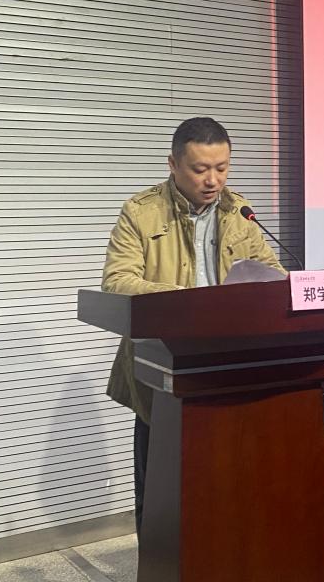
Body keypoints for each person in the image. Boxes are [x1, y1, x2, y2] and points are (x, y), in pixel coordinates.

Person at [101, 117, 285, 533]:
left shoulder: (239, 211)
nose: (213, 180)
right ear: (173, 164)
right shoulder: (142, 212)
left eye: (222, 167)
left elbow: (272, 274)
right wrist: (188, 301)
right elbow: (117, 281)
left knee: (227, 490)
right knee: (161, 496)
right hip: (163, 367)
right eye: (200, 169)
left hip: (230, 367)